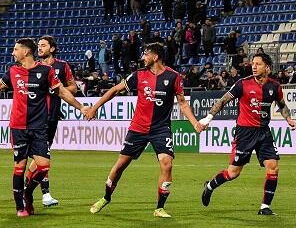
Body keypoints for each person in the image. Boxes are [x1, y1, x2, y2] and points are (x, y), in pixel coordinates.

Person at [0, 39, 87, 216]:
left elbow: (62, 91)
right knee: (20, 166)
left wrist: (82, 107)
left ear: (26, 52)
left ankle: (28, 192)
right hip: (18, 127)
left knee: (44, 166)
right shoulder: (13, 71)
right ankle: (20, 207)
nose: (13, 53)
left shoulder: (46, 71)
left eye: (16, 49)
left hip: (39, 127)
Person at [84, 43, 204, 218]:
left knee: (167, 164)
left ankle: (159, 208)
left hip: (161, 129)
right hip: (138, 128)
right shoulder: (139, 75)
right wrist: (94, 107)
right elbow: (115, 90)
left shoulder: (173, 76)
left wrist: (194, 123)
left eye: (146, 54)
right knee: (119, 166)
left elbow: (182, 103)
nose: (143, 58)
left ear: (155, 57)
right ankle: (106, 197)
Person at [199, 52, 296, 216]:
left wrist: (289, 119)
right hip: (245, 133)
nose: (254, 66)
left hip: (264, 133)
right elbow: (223, 100)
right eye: (253, 63)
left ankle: (265, 206)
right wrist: (208, 118)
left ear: (267, 67)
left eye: (258, 64)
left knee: (273, 167)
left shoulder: (275, 86)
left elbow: (282, 105)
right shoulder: (242, 84)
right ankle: (210, 186)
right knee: (233, 173)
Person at [24, 36, 77, 208]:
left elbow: (72, 88)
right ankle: (45, 193)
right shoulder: (32, 67)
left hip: (52, 116)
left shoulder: (62, 66)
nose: (39, 48)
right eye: (38, 45)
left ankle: (26, 187)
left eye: (43, 45)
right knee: (43, 156)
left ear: (52, 49)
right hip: (35, 117)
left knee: (40, 157)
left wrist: (55, 89)